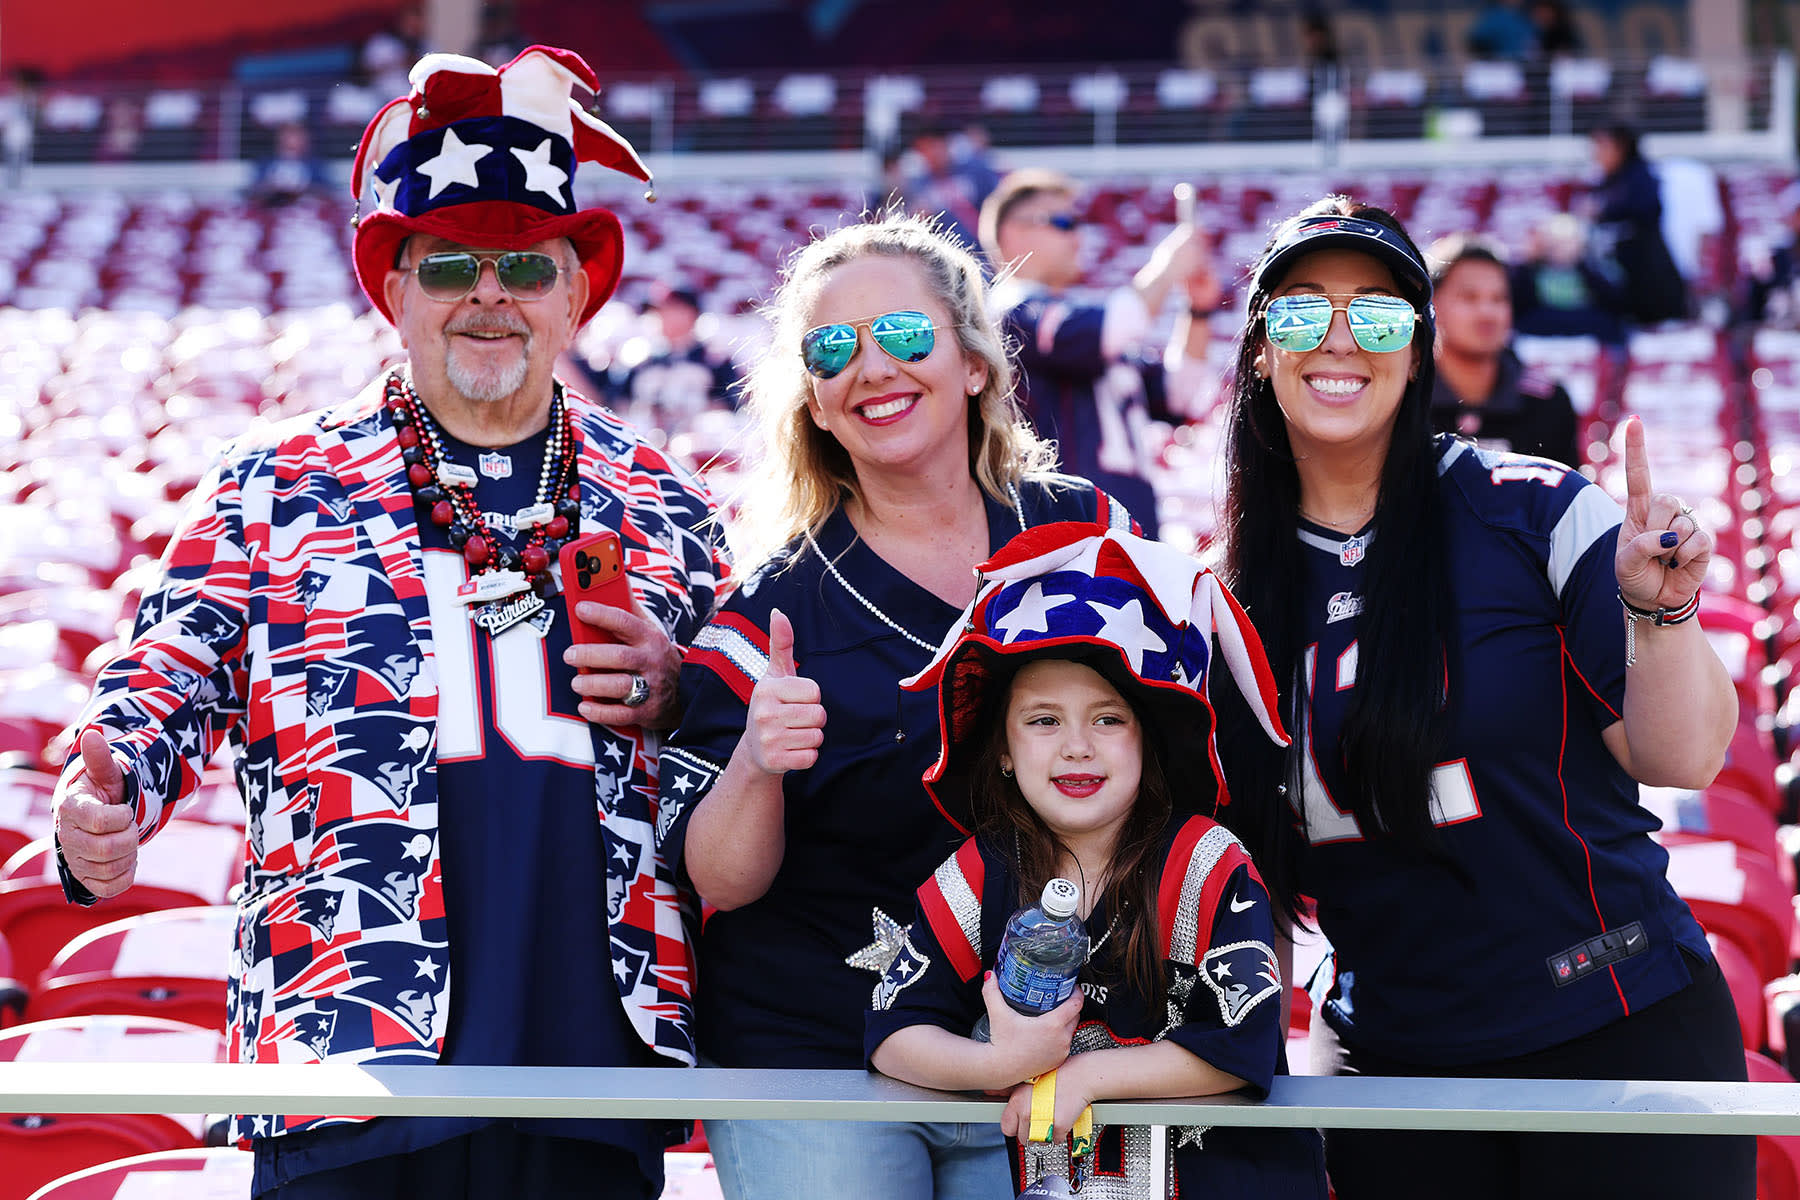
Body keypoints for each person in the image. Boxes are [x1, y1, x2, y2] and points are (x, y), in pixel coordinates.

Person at [52, 46, 729, 1200]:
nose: (488, 295)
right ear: (395, 290)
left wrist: (680, 692)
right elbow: (168, 666)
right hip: (345, 1028)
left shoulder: (664, 496)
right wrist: (106, 803)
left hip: (594, 1051)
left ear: (576, 293)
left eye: (524, 266)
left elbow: (736, 731)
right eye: (452, 263)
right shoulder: (272, 480)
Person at [1208, 195, 1753, 1199]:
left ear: (1418, 350)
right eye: (1298, 314)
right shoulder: (1221, 599)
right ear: (1256, 352)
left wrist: (1659, 613)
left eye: (1375, 315)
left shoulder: (1532, 508)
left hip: (1616, 1020)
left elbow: (1684, 760)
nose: (1338, 340)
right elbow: (1243, 878)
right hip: (1397, 1065)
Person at [657, 213, 1136, 1200]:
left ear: (972, 364)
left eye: (907, 336)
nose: (873, 367)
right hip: (822, 1050)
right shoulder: (767, 609)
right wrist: (757, 760)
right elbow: (721, 881)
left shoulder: (1085, 536)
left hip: (1056, 1045)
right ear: (816, 404)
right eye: (833, 350)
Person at [865, 522, 1329, 1198]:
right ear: (1001, 749)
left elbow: (1245, 1043)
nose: (1077, 747)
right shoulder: (983, 869)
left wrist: (1083, 1076)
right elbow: (892, 1030)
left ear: (1150, 742)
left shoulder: (1206, 863)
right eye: (1043, 720)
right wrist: (1001, 1059)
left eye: (1108, 719)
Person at [979, 169, 1218, 541]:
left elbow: (1180, 394)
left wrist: (1198, 310)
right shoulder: (1011, 310)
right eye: (1064, 222)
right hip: (1066, 530)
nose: (1078, 236)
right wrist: (1169, 264)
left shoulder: (1077, 325)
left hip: (1129, 524)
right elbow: (1117, 324)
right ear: (1013, 233)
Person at [1426, 233, 1580, 466]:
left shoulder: (1549, 403)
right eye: (1469, 297)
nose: (1487, 312)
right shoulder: (1402, 399)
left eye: (1499, 298)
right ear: (1433, 305)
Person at [1586, 122, 1689, 326]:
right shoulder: (1606, 182)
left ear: (1620, 146)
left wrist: (1606, 211)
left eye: (1601, 146)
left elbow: (1648, 210)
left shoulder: (1640, 177)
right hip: (1623, 280)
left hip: (1652, 282)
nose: (1595, 154)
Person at [607, 283, 741, 429]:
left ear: (692, 313)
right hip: (645, 439)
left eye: (672, 309)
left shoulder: (713, 358)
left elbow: (728, 406)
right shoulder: (637, 356)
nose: (663, 316)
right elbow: (617, 403)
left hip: (695, 442)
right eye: (659, 310)